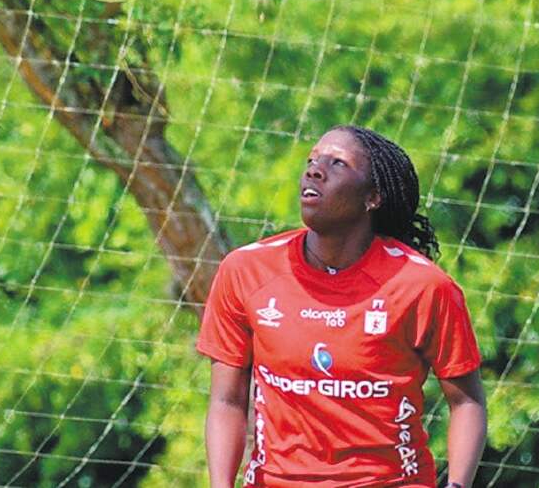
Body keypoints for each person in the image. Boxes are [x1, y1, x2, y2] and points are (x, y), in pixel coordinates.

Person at [196, 125, 487, 487]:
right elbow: (227, 401)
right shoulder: (245, 270)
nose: (314, 170)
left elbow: (467, 402)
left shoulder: (423, 286)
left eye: (337, 163)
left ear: (373, 197)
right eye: (312, 160)